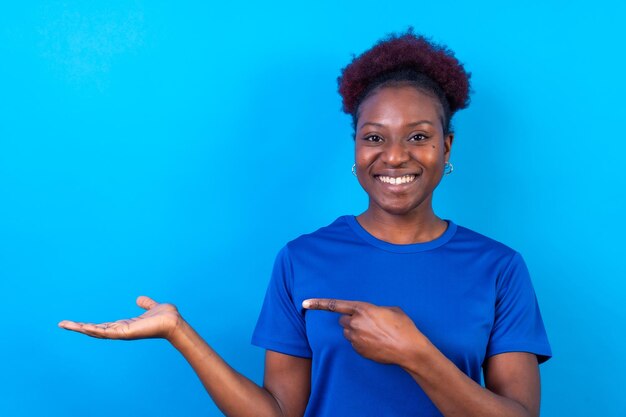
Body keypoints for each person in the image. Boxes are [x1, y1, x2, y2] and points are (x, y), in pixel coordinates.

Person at [59, 29, 551, 417]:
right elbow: (276, 413)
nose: (395, 157)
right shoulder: (303, 259)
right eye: (374, 138)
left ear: (447, 147)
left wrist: (414, 352)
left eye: (418, 136)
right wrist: (178, 332)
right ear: (356, 148)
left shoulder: (499, 268)